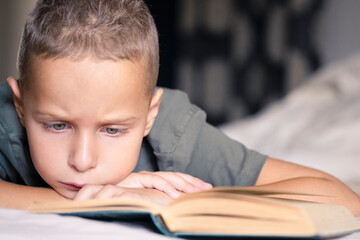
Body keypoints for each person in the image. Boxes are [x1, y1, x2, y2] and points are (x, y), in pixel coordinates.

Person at [0, 0, 359, 216]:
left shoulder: (173, 133)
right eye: (57, 126)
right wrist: (96, 201)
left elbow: (345, 199)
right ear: (19, 105)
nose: (82, 160)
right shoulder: (6, 121)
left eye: (112, 130)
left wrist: (173, 199)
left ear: (150, 115)